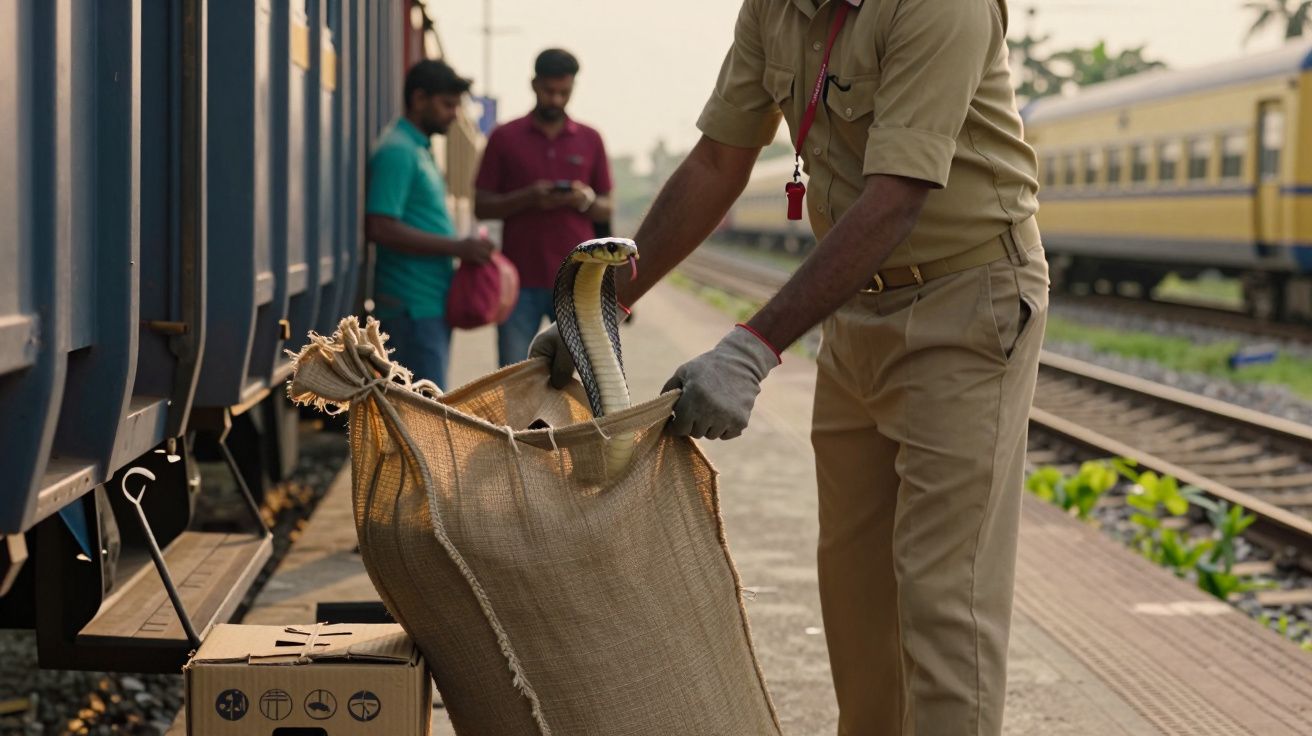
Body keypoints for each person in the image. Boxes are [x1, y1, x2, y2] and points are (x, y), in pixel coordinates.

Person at [532, 1, 1048, 734]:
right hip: (855, 308)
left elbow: (897, 196)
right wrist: (603, 307)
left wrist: (750, 348)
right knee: (855, 591)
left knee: (944, 599)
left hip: (966, 306)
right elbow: (719, 159)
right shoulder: (774, 8)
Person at [474, 48, 614, 367]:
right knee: (514, 374)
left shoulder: (591, 139)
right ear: (534, 84)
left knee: (575, 377)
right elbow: (481, 206)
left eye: (564, 92)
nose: (556, 99)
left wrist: (585, 200)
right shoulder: (504, 137)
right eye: (549, 91)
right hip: (517, 280)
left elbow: (606, 208)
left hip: (576, 283)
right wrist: (528, 197)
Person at [364, 59, 495, 389]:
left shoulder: (418, 148)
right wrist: (457, 247)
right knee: (421, 412)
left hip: (428, 304)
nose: (453, 114)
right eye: (447, 104)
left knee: (425, 407)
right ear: (420, 98)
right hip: (410, 307)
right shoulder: (398, 152)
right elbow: (380, 226)